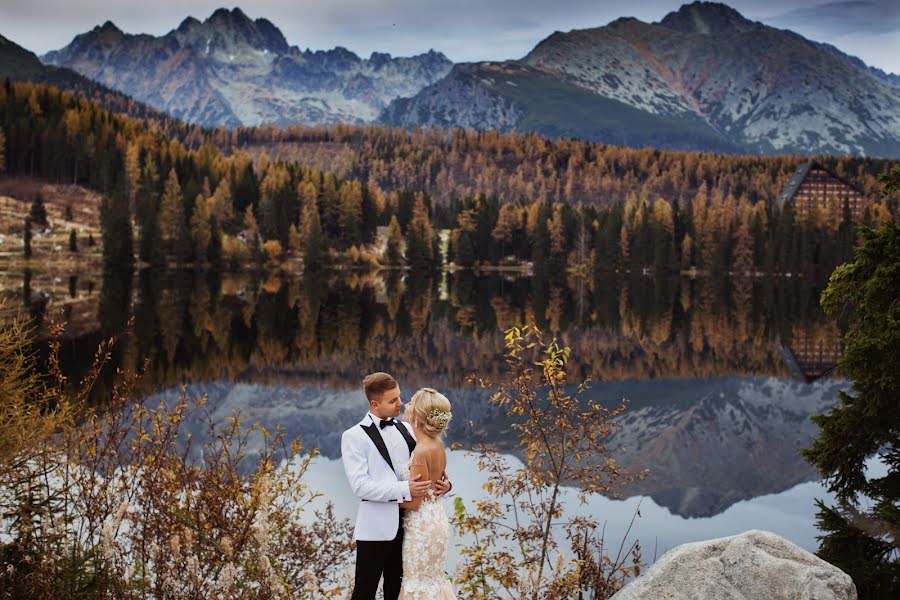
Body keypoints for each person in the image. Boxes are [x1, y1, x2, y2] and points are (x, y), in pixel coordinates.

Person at [341, 373, 452, 600]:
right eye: (392, 401)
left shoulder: (407, 428)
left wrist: (446, 484)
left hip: (411, 528)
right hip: (376, 528)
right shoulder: (353, 437)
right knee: (364, 591)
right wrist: (406, 490)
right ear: (374, 404)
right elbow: (360, 486)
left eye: (399, 397)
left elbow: (427, 462)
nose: (400, 404)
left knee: (398, 591)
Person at [397, 387, 457, 599]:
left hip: (421, 527)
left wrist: (384, 500)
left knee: (418, 584)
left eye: (411, 402)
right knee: (431, 582)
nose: (406, 404)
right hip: (435, 518)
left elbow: (414, 503)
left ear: (417, 418)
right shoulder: (437, 444)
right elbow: (436, 483)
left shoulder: (421, 451)